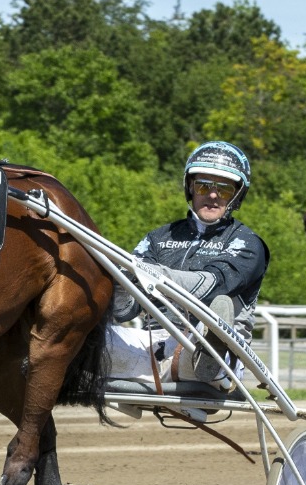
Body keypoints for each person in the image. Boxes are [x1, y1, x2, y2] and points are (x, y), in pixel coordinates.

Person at [105, 141, 269, 390]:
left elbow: (215, 285)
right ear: (190, 187)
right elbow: (126, 312)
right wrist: (119, 284)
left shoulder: (247, 243)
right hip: (152, 344)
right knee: (91, 337)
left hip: (217, 344)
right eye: (204, 185)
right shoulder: (157, 238)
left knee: (208, 323)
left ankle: (209, 357)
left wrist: (153, 273)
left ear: (236, 196)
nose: (212, 195)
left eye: (223, 190)